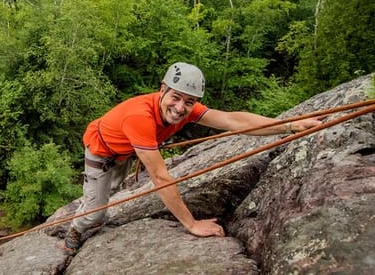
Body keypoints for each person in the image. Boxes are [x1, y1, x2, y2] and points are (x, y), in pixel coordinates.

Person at [64, 62, 324, 251]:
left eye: (189, 102)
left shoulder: (186, 107)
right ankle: (74, 231)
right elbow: (159, 176)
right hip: (101, 152)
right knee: (96, 212)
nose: (180, 108)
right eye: (175, 98)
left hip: (124, 151)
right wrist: (191, 224)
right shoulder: (139, 118)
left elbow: (233, 120)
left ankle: (93, 211)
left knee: (107, 193)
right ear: (162, 89)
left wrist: (289, 125)